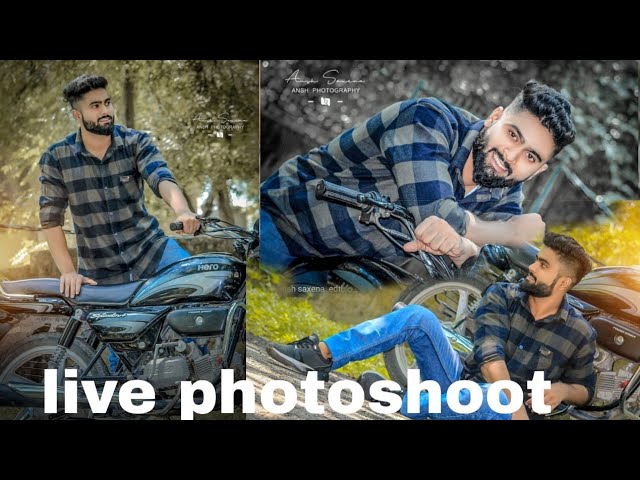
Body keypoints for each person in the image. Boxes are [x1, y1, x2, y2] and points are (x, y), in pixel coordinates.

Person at [266, 232, 597, 420]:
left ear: (564, 282)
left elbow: (586, 390)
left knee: (488, 398)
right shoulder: (503, 295)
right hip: (463, 386)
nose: (532, 267)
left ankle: (397, 401)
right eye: (536, 259)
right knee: (418, 318)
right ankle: (321, 355)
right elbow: (489, 355)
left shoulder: (579, 333)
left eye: (542, 264)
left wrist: (565, 390)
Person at [260, 80, 576, 272]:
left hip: (342, 271)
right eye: (512, 134)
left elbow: (488, 259)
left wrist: (472, 246)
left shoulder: (506, 187)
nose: (511, 156)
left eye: (530, 156)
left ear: (539, 170)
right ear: (494, 118)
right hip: (286, 226)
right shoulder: (427, 119)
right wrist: (500, 233)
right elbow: (434, 213)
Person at [39, 74, 201, 372]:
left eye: (108, 103)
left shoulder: (135, 142)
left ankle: (206, 373)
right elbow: (50, 219)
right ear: (78, 115)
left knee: (201, 290)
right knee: (124, 359)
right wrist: (68, 272)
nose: (105, 111)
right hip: (102, 272)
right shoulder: (57, 157)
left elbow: (161, 179)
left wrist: (182, 211)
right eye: (95, 105)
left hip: (151, 250)